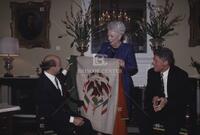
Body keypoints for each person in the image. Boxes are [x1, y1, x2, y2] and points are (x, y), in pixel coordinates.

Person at [35, 54, 95, 135]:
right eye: (59, 65)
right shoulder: (42, 85)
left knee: (86, 123)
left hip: (63, 113)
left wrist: (67, 67)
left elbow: (61, 77)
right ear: (52, 67)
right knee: (77, 128)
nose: (61, 67)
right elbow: (48, 111)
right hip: (52, 118)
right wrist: (72, 119)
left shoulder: (53, 76)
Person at [138, 47, 189, 135]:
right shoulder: (151, 73)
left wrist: (166, 101)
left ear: (165, 62)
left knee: (172, 123)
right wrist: (154, 98)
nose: (153, 62)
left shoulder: (180, 75)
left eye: (156, 60)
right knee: (143, 118)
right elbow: (148, 94)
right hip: (157, 108)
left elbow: (183, 99)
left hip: (173, 109)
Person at [98, 21, 138, 117]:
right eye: (108, 35)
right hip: (107, 84)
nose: (108, 38)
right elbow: (96, 62)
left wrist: (124, 64)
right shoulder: (104, 46)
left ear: (119, 37)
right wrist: (103, 61)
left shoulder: (128, 48)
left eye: (111, 36)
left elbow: (134, 69)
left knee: (122, 113)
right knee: (107, 113)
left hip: (123, 84)